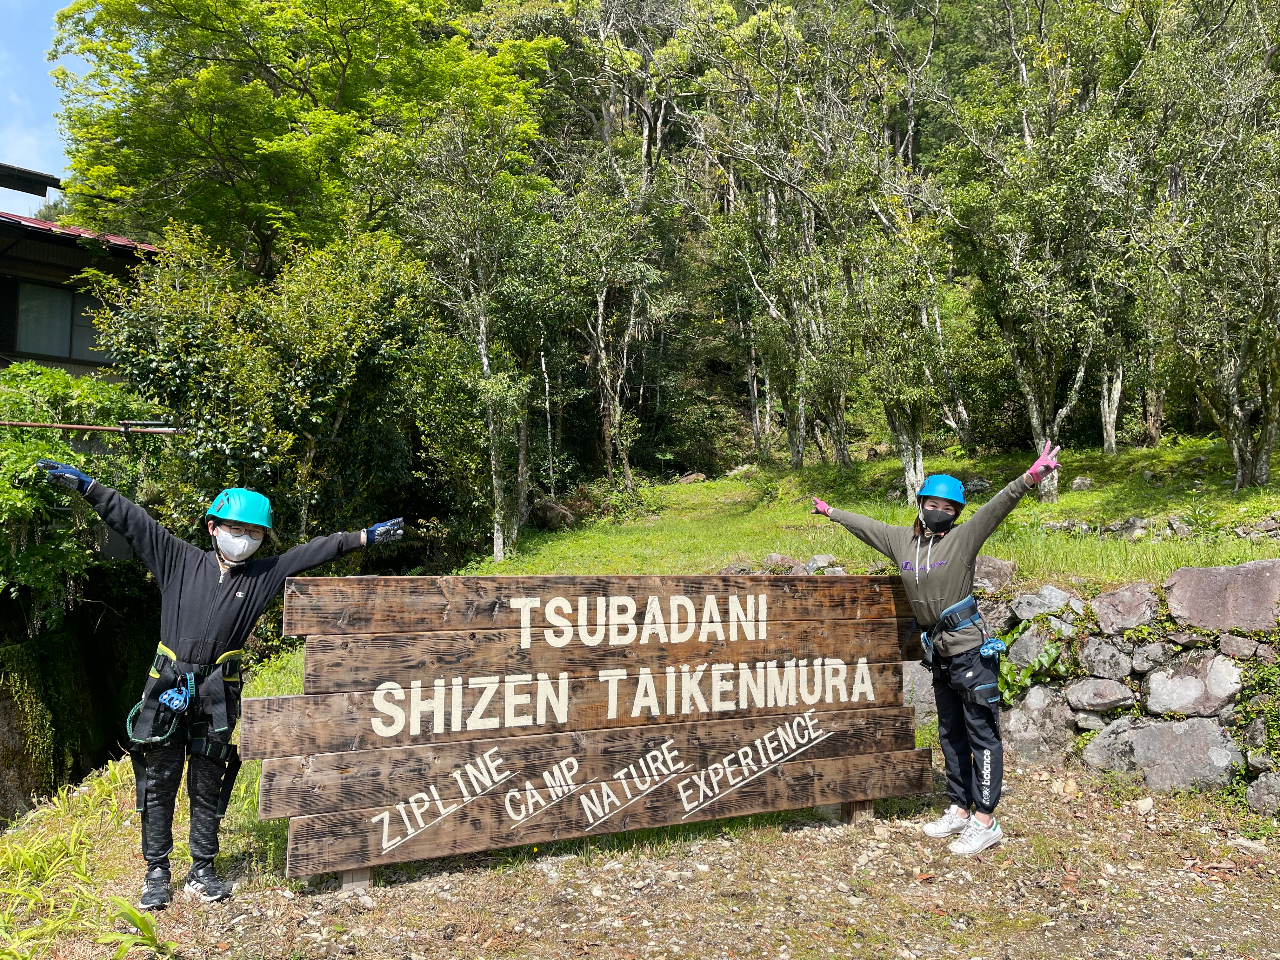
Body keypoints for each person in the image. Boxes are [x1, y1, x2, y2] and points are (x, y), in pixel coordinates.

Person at [36, 459, 405, 909]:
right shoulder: (176, 559)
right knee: (160, 781)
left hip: (218, 692)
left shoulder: (262, 577)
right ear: (212, 527)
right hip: (168, 688)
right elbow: (132, 519)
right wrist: (88, 486)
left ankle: (202, 870)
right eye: (236, 528)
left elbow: (314, 552)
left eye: (255, 533)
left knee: (209, 780)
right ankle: (156, 872)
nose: (245, 538)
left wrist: (364, 537)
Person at [811, 441, 1061, 856]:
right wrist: (831, 512)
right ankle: (960, 809)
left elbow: (996, 508)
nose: (939, 510)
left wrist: (1029, 478)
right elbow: (868, 526)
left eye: (949, 507)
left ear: (956, 513)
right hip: (939, 654)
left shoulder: (962, 541)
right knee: (949, 731)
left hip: (969, 651)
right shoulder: (902, 544)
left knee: (981, 732)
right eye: (933, 503)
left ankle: (986, 819)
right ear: (921, 502)